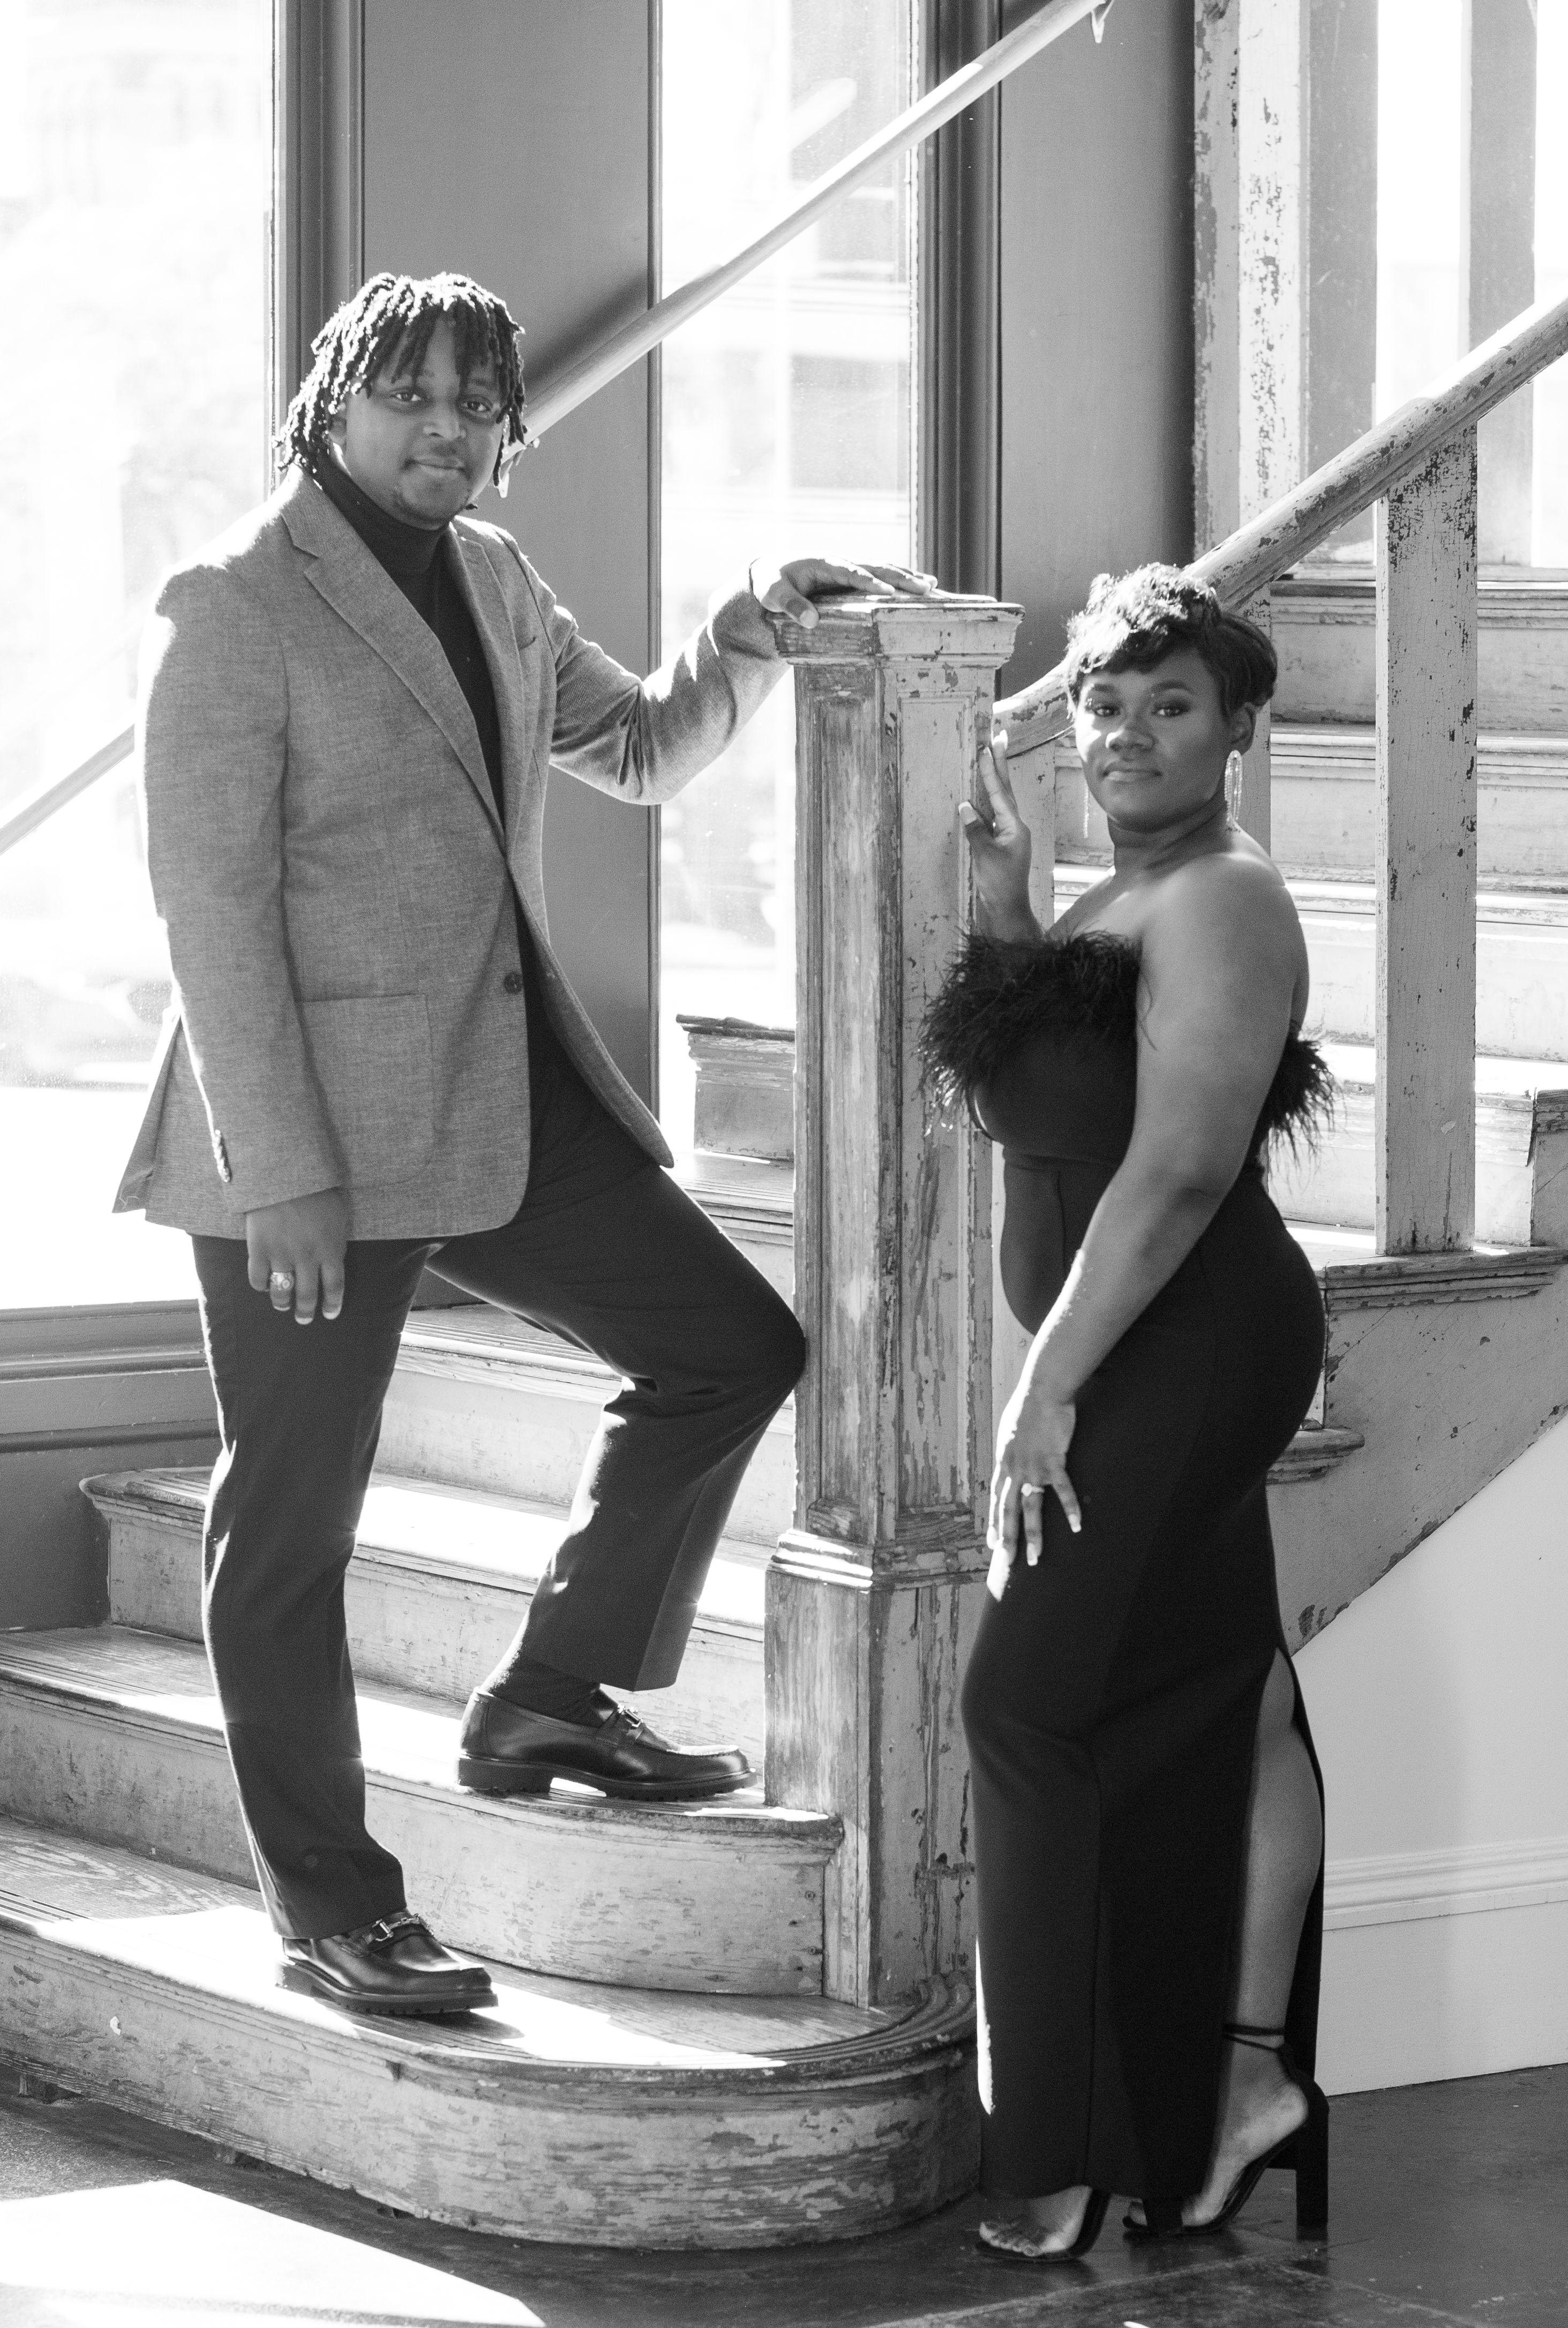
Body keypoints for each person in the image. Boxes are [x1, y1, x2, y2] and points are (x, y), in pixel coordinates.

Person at [117, 269, 933, 2017]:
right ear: (332, 400)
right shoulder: (232, 602)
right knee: (289, 1532)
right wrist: (283, 1173)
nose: (447, 429)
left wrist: (750, 625)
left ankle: (552, 1692)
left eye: (476, 404)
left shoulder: (491, 574)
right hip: (309, 1143)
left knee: (732, 1346)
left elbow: (632, 748)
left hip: (496, 1098)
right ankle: (333, 1907)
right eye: (409, 395)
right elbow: (211, 911)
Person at [920, 565, 1332, 2258]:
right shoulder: (1126, 891)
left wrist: (1043, 1386)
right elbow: (1067, 1102)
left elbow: (1172, 1173)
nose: (1128, 733)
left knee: (1026, 1706)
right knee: (1212, 1705)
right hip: (1140, 1341)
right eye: (1104, 703)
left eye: (1171, 705)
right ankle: (1222, 2089)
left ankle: (1066, 2150)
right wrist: (1007, 904)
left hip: (1190, 1339)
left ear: (1238, 729)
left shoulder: (1224, 898)